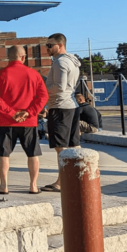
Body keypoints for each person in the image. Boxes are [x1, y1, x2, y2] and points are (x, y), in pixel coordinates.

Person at [0, 45, 49, 194]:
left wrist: (11, 113)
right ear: (23, 57)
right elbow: (43, 97)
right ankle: (33, 185)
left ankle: (4, 185)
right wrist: (28, 113)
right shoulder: (34, 74)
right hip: (29, 122)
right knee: (32, 153)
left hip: (5, 121)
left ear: (7, 58)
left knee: (3, 154)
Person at [42, 33, 82, 192]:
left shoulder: (60, 62)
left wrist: (42, 90)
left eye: (50, 45)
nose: (47, 49)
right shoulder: (73, 61)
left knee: (61, 147)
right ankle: (77, 177)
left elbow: (59, 87)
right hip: (71, 106)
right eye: (47, 45)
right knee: (74, 145)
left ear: (60, 45)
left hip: (60, 106)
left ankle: (61, 182)